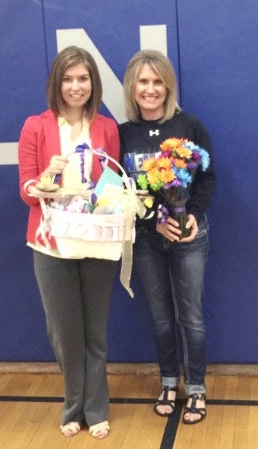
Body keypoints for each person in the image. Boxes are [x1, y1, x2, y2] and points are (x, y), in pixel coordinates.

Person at [18, 46, 120, 439]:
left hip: (96, 242)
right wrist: (46, 178)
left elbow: (111, 187)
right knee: (64, 332)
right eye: (67, 78)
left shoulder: (107, 128)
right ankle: (72, 405)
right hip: (51, 244)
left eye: (83, 78)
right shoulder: (35, 127)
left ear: (93, 83)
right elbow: (27, 192)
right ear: (56, 83)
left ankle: (96, 410)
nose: (76, 86)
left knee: (95, 331)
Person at [119, 50, 215, 424]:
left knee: (191, 317)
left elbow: (208, 178)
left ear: (168, 86)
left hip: (190, 237)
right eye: (143, 81)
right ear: (133, 86)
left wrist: (193, 214)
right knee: (161, 318)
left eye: (158, 81)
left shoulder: (190, 126)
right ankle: (168, 381)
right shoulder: (122, 134)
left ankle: (196, 389)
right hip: (146, 240)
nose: (151, 89)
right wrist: (153, 221)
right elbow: (123, 193)